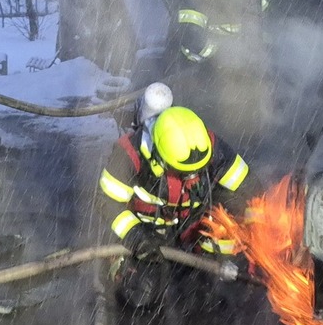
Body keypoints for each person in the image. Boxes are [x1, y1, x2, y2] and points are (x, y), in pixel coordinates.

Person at [98, 104, 250, 306]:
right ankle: (128, 280)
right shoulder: (128, 156)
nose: (194, 177)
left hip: (192, 233)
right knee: (142, 294)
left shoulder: (205, 144)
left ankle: (206, 284)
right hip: (148, 239)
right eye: (185, 172)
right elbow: (109, 204)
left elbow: (248, 187)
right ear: (159, 159)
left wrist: (254, 227)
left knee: (223, 293)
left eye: (198, 170)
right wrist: (137, 238)